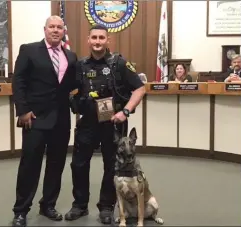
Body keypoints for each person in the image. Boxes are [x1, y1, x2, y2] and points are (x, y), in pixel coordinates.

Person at [65, 24, 145, 224]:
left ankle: (107, 207)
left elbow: (140, 89)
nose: (98, 42)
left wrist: (125, 111)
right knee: (78, 164)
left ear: (108, 40)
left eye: (102, 38)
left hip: (113, 124)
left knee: (111, 166)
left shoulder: (119, 63)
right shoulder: (80, 66)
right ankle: (80, 205)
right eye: (94, 38)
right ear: (88, 40)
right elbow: (68, 89)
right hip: (88, 123)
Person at [11, 15, 77, 227]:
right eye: (52, 27)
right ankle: (21, 210)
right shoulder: (28, 50)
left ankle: (48, 205)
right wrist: (22, 110)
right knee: (30, 165)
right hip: (35, 118)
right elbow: (18, 81)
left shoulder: (71, 56)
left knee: (56, 165)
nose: (56, 30)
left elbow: (73, 86)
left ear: (64, 31)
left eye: (59, 27)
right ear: (45, 29)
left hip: (61, 120)